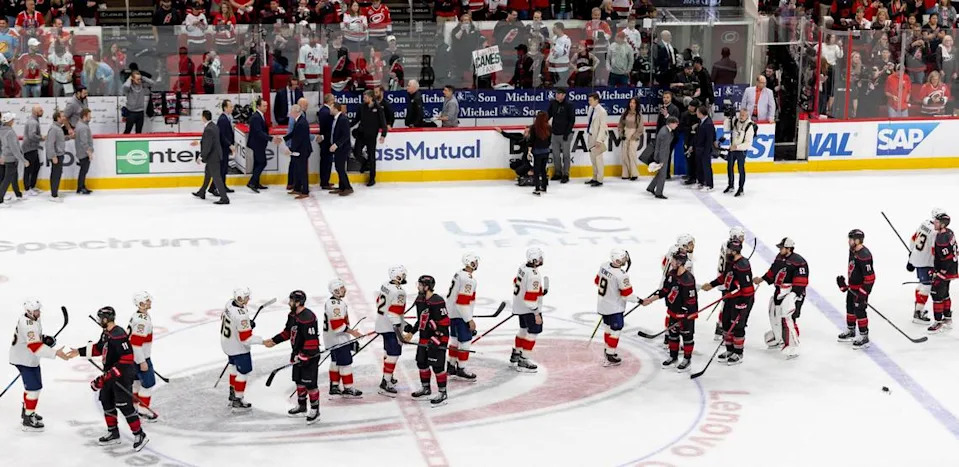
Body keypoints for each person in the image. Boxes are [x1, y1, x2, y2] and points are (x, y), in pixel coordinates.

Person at [68, 306, 149, 451]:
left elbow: (127, 358)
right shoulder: (107, 333)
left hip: (122, 376)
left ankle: (140, 434)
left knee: (124, 405)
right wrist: (79, 352)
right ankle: (113, 433)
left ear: (105, 319)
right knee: (106, 401)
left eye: (100, 318)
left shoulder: (118, 334)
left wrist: (106, 377)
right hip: (110, 374)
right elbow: (100, 348)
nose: (99, 321)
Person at [8, 298, 71, 431]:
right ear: (29, 312)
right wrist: (55, 353)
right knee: (34, 389)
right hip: (24, 360)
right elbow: (35, 347)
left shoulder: (31, 319)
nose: (39, 313)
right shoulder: (28, 325)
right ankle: (28, 418)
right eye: (36, 311)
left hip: (27, 358)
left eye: (38, 310)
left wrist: (44, 339)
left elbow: (34, 339)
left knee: (32, 388)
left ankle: (27, 411)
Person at [262, 291, 321, 424]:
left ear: (298, 302)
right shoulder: (292, 315)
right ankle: (302, 406)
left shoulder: (308, 317)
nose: (289, 303)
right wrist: (273, 341)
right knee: (299, 381)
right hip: (297, 354)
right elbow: (288, 332)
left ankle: (315, 410)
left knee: (310, 385)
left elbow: (312, 341)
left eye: (291, 300)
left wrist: (304, 355)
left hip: (309, 356)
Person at [642, 248, 697, 371]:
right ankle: (673, 357)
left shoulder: (688, 279)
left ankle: (687, 360)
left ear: (680, 262)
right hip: (672, 312)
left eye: (673, 260)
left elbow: (691, 301)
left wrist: (687, 316)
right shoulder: (671, 274)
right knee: (673, 336)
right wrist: (651, 299)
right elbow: (665, 291)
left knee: (687, 338)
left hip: (685, 316)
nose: (671, 262)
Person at [702, 240, 754, 365]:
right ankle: (730, 350)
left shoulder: (743, 265)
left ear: (734, 251)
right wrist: (711, 285)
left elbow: (747, 288)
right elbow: (724, 277)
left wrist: (742, 302)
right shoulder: (731, 262)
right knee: (725, 323)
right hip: (730, 298)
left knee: (737, 326)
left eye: (729, 250)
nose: (727, 252)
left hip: (742, 300)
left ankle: (738, 353)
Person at [754, 238, 808, 359]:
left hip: (792, 293)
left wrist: (794, 295)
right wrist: (761, 279)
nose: (779, 249)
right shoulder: (780, 257)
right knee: (773, 313)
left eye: (781, 247)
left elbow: (801, 282)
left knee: (787, 317)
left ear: (788, 248)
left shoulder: (799, 261)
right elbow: (773, 271)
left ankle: (793, 345)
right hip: (779, 291)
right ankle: (779, 338)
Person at [403, 275, 451, 406]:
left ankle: (442, 392)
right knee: (421, 363)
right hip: (424, 338)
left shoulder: (438, 301)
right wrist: (411, 333)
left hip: (439, 338)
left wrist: (436, 340)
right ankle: (426, 388)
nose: (417, 287)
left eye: (419, 285)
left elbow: (445, 323)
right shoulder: (420, 300)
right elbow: (421, 320)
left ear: (427, 286)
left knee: (437, 366)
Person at [220, 287, 264, 410]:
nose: (248, 299)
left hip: (227, 343)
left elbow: (225, 319)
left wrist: (247, 324)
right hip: (238, 347)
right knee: (243, 372)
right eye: (246, 297)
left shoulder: (229, 304)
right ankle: (238, 399)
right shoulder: (241, 316)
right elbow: (246, 339)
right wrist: (263, 341)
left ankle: (232, 394)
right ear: (240, 298)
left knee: (233, 367)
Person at [595, 249, 639, 366]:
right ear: (618, 260)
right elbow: (627, 295)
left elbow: (596, 281)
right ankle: (610, 355)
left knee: (608, 328)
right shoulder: (621, 275)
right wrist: (640, 300)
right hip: (614, 308)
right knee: (616, 330)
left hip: (603, 305)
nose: (625, 260)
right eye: (623, 258)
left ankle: (607, 349)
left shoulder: (604, 266)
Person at [323, 279, 364, 398]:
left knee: (335, 362)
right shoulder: (337, 305)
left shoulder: (330, 302)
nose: (344, 290)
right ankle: (348, 388)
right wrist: (353, 333)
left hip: (331, 339)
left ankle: (334, 386)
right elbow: (337, 326)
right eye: (341, 288)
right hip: (339, 340)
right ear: (335, 291)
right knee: (346, 363)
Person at [836, 229, 876, 349]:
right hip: (852, 288)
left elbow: (870, 278)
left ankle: (864, 335)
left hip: (861, 289)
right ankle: (851, 330)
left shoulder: (864, 255)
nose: (849, 241)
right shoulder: (853, 251)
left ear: (858, 240)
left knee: (860, 310)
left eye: (851, 239)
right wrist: (845, 285)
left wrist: (863, 293)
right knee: (850, 307)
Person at [511, 247, 547, 372]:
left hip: (519, 305)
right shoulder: (534, 275)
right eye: (540, 257)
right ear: (535, 260)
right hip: (529, 308)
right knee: (534, 331)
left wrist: (539, 292)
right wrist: (536, 313)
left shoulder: (523, 267)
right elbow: (530, 299)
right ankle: (523, 360)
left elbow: (518, 283)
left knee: (523, 329)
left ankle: (516, 354)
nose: (542, 259)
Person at [374, 266, 408, 396]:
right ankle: (386, 382)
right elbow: (395, 314)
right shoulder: (400, 292)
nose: (404, 277)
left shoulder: (385, 285)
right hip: (391, 327)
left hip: (381, 322)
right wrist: (400, 332)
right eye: (403, 275)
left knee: (387, 352)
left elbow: (378, 302)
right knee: (393, 354)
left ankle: (387, 376)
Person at [445, 254, 479, 379]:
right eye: (475, 261)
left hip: (452, 313)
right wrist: (469, 319)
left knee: (454, 340)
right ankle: (462, 368)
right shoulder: (468, 279)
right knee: (465, 342)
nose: (477, 263)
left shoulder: (459, 274)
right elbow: (462, 302)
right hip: (461, 315)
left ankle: (451, 365)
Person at [907, 208, 944, 324]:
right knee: (926, 286)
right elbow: (934, 250)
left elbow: (913, 239)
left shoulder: (924, 223)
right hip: (926, 263)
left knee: (921, 285)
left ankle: (917, 309)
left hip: (916, 259)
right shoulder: (935, 232)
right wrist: (938, 266)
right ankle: (918, 313)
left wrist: (911, 255)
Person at [125, 292, 158, 421]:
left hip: (133, 358)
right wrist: (142, 361)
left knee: (137, 383)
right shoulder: (142, 322)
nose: (150, 302)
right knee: (148, 383)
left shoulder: (137, 315)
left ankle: (134, 407)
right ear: (141, 304)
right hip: (140, 357)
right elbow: (136, 344)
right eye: (147, 301)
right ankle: (143, 410)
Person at [351, 90, 388, 187]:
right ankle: (365, 163)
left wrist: (383, 135)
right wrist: (347, 125)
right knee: (356, 152)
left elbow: (383, 123)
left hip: (371, 136)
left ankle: (372, 178)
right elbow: (356, 120)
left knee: (372, 157)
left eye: (365, 97)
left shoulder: (378, 108)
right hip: (361, 134)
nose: (364, 99)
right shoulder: (362, 107)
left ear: (371, 97)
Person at [193, 110, 229, 205]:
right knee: (207, 174)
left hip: (213, 157)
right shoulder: (214, 126)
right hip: (215, 155)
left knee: (216, 177)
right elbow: (209, 141)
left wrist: (201, 156)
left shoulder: (209, 129)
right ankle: (202, 192)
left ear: (204, 117)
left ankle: (224, 198)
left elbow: (208, 145)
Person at [929, 212, 956, 333]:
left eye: (937, 221)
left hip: (946, 270)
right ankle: (948, 318)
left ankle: (938, 321)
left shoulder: (942, 238)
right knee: (945, 292)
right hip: (952, 269)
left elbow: (947, 257)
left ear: (943, 224)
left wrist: (940, 272)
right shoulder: (949, 232)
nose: (934, 223)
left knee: (936, 294)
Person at [277, 103, 312, 198]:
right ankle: (297, 188)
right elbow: (293, 134)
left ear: (296, 112)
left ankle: (305, 191)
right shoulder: (299, 121)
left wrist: (291, 149)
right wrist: (283, 139)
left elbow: (299, 139)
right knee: (297, 170)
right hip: (298, 150)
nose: (290, 114)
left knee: (302, 171)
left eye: (291, 112)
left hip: (302, 151)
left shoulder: (302, 123)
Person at [724, 107, 756, 197]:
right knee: (729, 167)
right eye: (740, 114)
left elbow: (748, 143)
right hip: (732, 149)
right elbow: (726, 129)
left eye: (743, 115)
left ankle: (741, 189)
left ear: (747, 116)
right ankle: (730, 186)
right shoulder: (735, 121)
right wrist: (727, 118)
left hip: (741, 151)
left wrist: (737, 147)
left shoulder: (749, 126)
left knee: (740, 169)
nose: (741, 117)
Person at [547, 88, 575, 183]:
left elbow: (572, 120)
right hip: (555, 133)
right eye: (556, 93)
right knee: (555, 155)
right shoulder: (553, 104)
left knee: (566, 155)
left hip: (565, 134)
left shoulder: (569, 105)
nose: (557, 95)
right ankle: (558, 172)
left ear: (563, 95)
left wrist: (567, 133)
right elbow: (548, 115)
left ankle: (566, 174)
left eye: (559, 94)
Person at [0, 113, 27, 208]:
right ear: (9, 121)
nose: (13, 121)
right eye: (12, 119)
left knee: (13, 177)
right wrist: (23, 160)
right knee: (7, 179)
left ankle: (18, 194)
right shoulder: (10, 132)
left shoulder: (2, 130)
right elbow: (14, 149)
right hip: (11, 158)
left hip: (7, 156)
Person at [647, 116, 678, 200]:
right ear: (671, 123)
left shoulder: (665, 129)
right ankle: (659, 193)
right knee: (662, 175)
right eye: (675, 124)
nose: (676, 125)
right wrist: (662, 160)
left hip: (662, 155)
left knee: (660, 173)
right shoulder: (665, 133)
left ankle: (651, 187)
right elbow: (662, 148)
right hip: (662, 156)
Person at [243, 98, 269, 193]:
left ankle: (256, 182)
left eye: (266, 105)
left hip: (259, 143)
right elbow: (259, 132)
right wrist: (270, 138)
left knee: (258, 163)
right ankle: (252, 182)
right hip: (257, 144)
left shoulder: (260, 116)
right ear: (258, 106)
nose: (266, 107)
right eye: (264, 106)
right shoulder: (256, 117)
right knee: (262, 162)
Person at [329, 104, 354, 196]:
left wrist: (336, 144)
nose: (330, 110)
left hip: (342, 148)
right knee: (339, 167)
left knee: (340, 168)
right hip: (339, 148)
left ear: (335, 109)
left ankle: (348, 187)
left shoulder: (343, 119)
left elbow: (346, 135)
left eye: (331, 108)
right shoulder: (337, 119)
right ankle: (342, 187)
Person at [45, 111, 69, 203]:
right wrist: (53, 156)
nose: (64, 117)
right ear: (58, 118)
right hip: (57, 156)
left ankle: (55, 193)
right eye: (62, 116)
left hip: (59, 155)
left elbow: (60, 140)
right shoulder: (54, 129)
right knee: (55, 175)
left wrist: (69, 137)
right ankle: (54, 195)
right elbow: (49, 143)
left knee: (57, 174)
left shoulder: (58, 128)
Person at [585, 92, 608, 187]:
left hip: (597, 137)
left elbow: (603, 127)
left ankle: (600, 179)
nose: (589, 102)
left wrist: (599, 140)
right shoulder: (591, 109)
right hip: (591, 136)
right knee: (593, 159)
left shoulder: (602, 112)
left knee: (598, 159)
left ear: (596, 100)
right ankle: (594, 177)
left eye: (590, 100)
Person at [526, 112, 552, 196]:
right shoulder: (549, 127)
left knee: (536, 171)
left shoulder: (534, 128)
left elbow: (531, 141)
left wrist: (529, 151)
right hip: (546, 151)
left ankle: (537, 188)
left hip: (537, 152)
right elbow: (549, 140)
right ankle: (544, 187)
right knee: (543, 170)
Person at [21, 106, 43, 197]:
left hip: (33, 147)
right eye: (40, 110)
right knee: (29, 168)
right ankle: (27, 189)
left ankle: (32, 186)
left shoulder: (34, 120)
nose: (42, 111)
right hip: (29, 148)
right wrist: (41, 138)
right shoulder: (33, 122)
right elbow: (32, 135)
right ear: (35, 112)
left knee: (36, 166)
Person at [618, 97, 642, 181]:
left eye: (634, 103)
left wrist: (635, 136)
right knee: (624, 154)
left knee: (632, 154)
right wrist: (621, 133)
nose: (632, 104)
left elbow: (640, 128)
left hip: (633, 135)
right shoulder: (625, 113)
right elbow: (620, 125)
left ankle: (634, 173)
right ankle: (625, 173)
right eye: (631, 102)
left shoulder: (638, 115)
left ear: (636, 105)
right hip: (626, 134)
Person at [691, 105, 714, 191]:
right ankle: (701, 182)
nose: (696, 113)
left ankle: (709, 185)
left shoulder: (708, 123)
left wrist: (706, 151)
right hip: (699, 148)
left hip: (705, 149)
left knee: (706, 167)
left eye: (697, 112)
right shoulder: (701, 122)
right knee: (699, 166)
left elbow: (709, 139)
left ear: (701, 113)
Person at [215, 100, 236, 196]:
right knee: (222, 169)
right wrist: (229, 144)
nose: (232, 108)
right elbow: (222, 135)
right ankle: (217, 187)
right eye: (230, 106)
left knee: (224, 168)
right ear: (225, 108)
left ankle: (222, 186)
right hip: (222, 148)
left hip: (225, 148)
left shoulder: (227, 118)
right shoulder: (223, 119)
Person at [317, 95, 336, 190]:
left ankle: (325, 181)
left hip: (325, 140)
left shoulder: (323, 110)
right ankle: (324, 182)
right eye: (333, 100)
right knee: (326, 162)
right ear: (329, 101)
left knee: (326, 161)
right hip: (326, 141)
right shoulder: (326, 112)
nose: (334, 101)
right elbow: (328, 128)